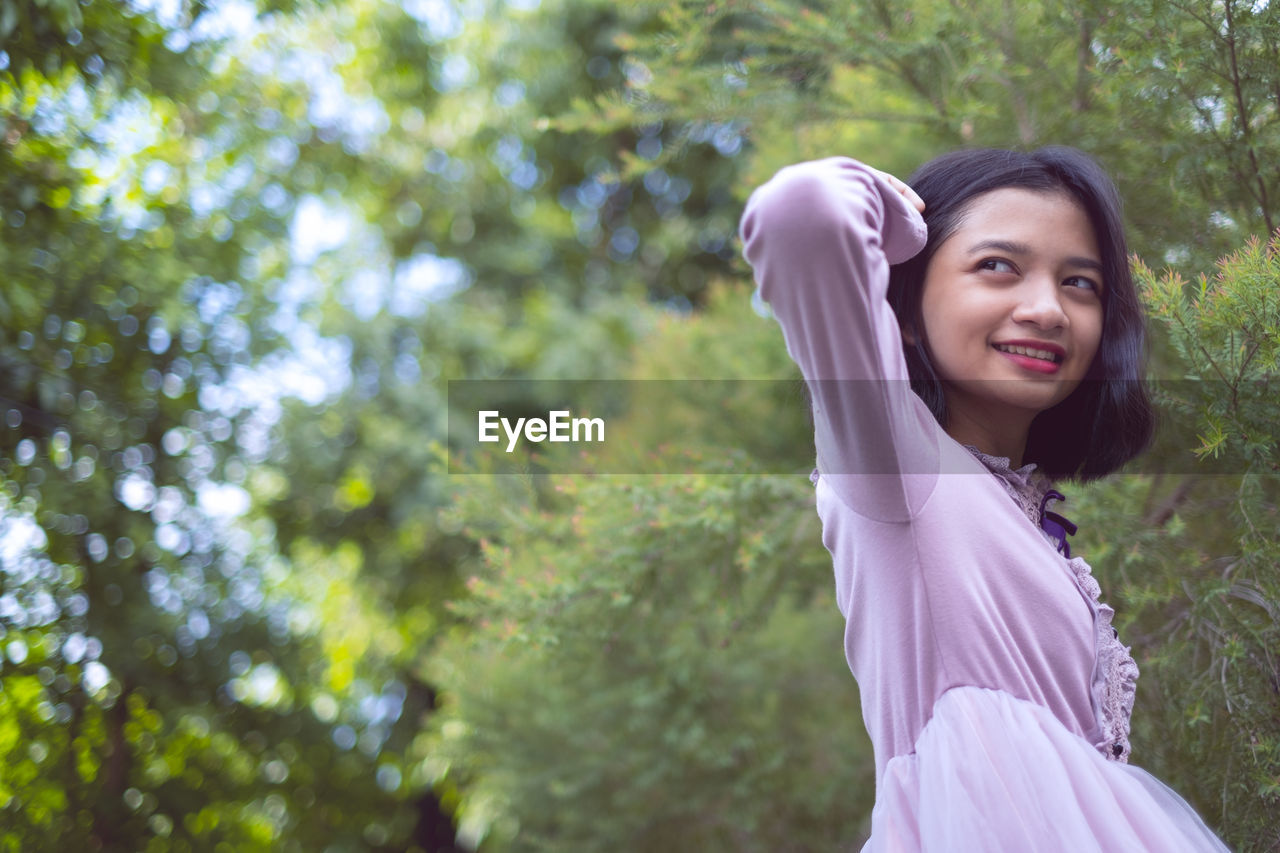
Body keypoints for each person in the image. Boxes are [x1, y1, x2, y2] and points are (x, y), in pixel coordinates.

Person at [738, 149, 1233, 851]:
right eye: (997, 266)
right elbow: (801, 211)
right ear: (905, 310)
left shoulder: (1020, 511)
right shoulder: (896, 463)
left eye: (1080, 283)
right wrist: (904, 224)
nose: (1047, 309)